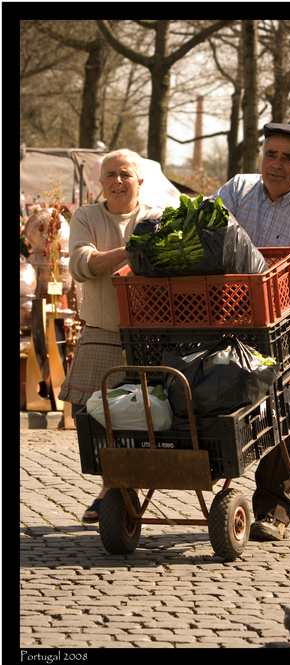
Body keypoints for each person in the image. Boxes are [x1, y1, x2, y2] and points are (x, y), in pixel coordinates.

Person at [215, 123, 290, 541]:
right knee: (242, 414)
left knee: (282, 413)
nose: (277, 164)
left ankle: (273, 508)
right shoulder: (236, 192)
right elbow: (208, 240)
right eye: (272, 154)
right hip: (232, 322)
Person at [58, 149, 163, 523]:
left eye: (125, 174)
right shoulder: (86, 215)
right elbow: (83, 266)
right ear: (100, 183)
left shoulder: (157, 218)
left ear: (139, 180)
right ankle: (115, 484)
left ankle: (115, 489)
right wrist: (134, 249)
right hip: (101, 332)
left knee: (143, 417)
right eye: (110, 175)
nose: (118, 181)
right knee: (90, 415)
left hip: (151, 339)